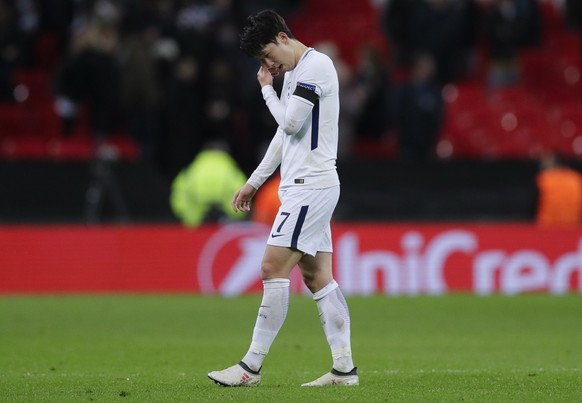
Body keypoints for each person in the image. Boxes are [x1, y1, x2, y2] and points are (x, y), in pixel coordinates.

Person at [207, 9, 358, 387]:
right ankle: (344, 369)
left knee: (272, 268)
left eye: (267, 54)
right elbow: (283, 137)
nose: (267, 64)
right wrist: (254, 182)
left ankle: (250, 368)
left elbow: (288, 123)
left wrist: (265, 91)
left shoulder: (316, 67)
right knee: (317, 276)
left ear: (283, 37)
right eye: (261, 60)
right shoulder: (293, 74)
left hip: (311, 185)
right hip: (304, 185)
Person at [170, 140, 247, 227]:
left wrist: (187, 216)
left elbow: (178, 194)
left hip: (195, 226)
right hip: (225, 225)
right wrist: (234, 215)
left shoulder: (191, 170)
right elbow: (244, 195)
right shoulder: (233, 172)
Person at [536, 153, 582, 225]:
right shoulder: (577, 178)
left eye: (545, 162)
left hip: (547, 226)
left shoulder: (544, 178)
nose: (542, 165)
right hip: (574, 226)